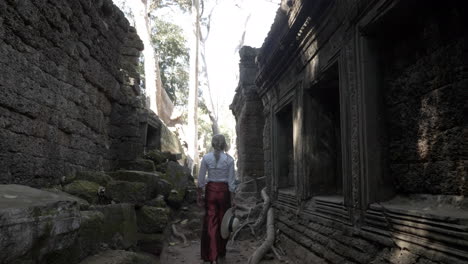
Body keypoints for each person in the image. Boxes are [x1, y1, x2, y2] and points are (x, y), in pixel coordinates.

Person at [197, 134, 236, 264]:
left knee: (210, 222)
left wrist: (199, 194)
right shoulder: (229, 160)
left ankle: (211, 255)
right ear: (224, 144)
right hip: (224, 193)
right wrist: (233, 199)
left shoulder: (206, 158)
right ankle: (220, 253)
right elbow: (231, 183)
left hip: (211, 192)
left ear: (213, 144)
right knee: (223, 222)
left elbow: (201, 180)